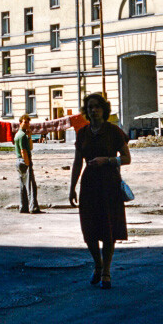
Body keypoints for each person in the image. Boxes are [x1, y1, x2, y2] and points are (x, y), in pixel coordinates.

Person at [69, 93, 131, 290]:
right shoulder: (82, 133)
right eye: (89, 107)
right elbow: (77, 162)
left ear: (104, 109)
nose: (93, 110)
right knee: (89, 230)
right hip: (89, 185)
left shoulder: (114, 132)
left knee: (108, 229)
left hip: (109, 184)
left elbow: (127, 158)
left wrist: (107, 160)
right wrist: (72, 187)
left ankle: (106, 270)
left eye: (96, 106)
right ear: (86, 111)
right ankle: (97, 264)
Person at [14, 114, 41, 214]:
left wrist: (29, 135)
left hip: (19, 161)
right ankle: (33, 207)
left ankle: (23, 207)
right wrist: (28, 163)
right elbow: (23, 151)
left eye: (28, 122)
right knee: (31, 185)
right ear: (20, 123)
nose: (27, 124)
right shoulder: (21, 136)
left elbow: (31, 147)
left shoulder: (20, 134)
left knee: (23, 186)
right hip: (24, 160)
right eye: (25, 122)